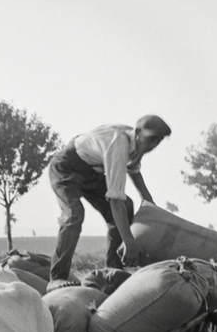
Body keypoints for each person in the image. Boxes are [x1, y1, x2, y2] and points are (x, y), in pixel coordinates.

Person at [47, 115, 171, 283]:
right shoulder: (119, 144)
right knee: (74, 215)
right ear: (138, 133)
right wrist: (129, 241)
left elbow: (133, 168)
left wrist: (149, 203)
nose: (153, 145)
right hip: (66, 167)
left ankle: (113, 271)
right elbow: (114, 199)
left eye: (158, 141)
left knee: (127, 206)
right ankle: (57, 277)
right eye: (151, 139)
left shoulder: (135, 145)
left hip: (92, 172)